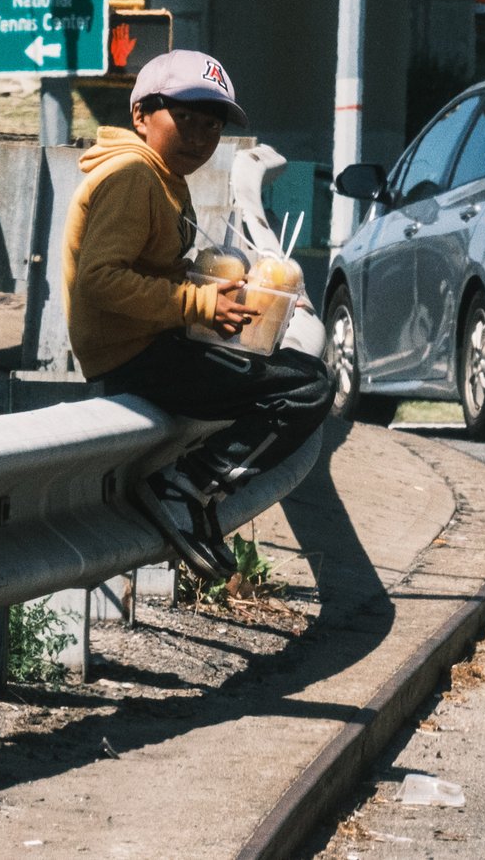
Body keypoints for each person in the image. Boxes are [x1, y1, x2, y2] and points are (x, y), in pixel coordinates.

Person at [62, 50, 333, 578]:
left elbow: (151, 269)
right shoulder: (132, 176)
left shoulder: (161, 175)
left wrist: (226, 289)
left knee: (293, 374)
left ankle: (195, 493)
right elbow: (100, 280)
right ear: (141, 115)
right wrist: (198, 302)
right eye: (184, 117)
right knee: (307, 387)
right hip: (133, 356)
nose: (199, 135)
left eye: (211, 125)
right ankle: (184, 485)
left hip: (149, 345)